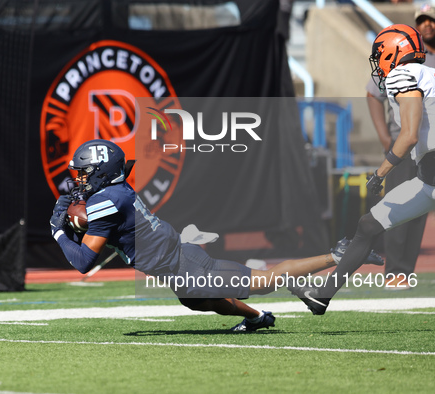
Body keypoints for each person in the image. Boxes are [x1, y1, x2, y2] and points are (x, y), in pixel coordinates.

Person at [50, 139, 384, 331]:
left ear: (101, 173)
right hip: (180, 257)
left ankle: (338, 254)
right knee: (196, 302)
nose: (79, 179)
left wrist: (59, 233)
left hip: (182, 267)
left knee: (265, 281)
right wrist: (78, 216)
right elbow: (106, 220)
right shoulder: (116, 191)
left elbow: (83, 262)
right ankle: (257, 318)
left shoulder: (106, 201)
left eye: (84, 173)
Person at [288, 24, 435, 314]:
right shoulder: (425, 73)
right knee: (368, 224)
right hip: (428, 178)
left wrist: (380, 173)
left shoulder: (402, 73)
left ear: (393, 52)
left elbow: (408, 135)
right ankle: (322, 295)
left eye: (379, 53)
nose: (378, 61)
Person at [364, 6, 435, 289]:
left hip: (429, 148)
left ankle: (405, 270)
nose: (427, 25)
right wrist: (385, 137)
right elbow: (372, 93)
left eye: (432, 20)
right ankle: (394, 271)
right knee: (396, 206)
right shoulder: (403, 56)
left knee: (418, 212)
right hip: (405, 146)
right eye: (422, 21)